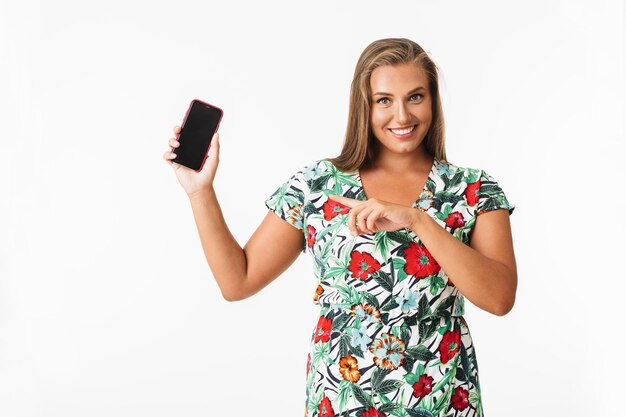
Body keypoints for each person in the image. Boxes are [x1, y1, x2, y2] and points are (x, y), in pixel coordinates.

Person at [163, 38, 516, 417]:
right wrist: (201, 193)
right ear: (363, 106)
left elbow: (499, 298)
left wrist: (418, 220)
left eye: (415, 97)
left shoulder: (473, 189)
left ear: (433, 102)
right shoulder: (317, 185)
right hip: (342, 400)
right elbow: (238, 281)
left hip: (441, 400)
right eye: (384, 100)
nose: (401, 116)